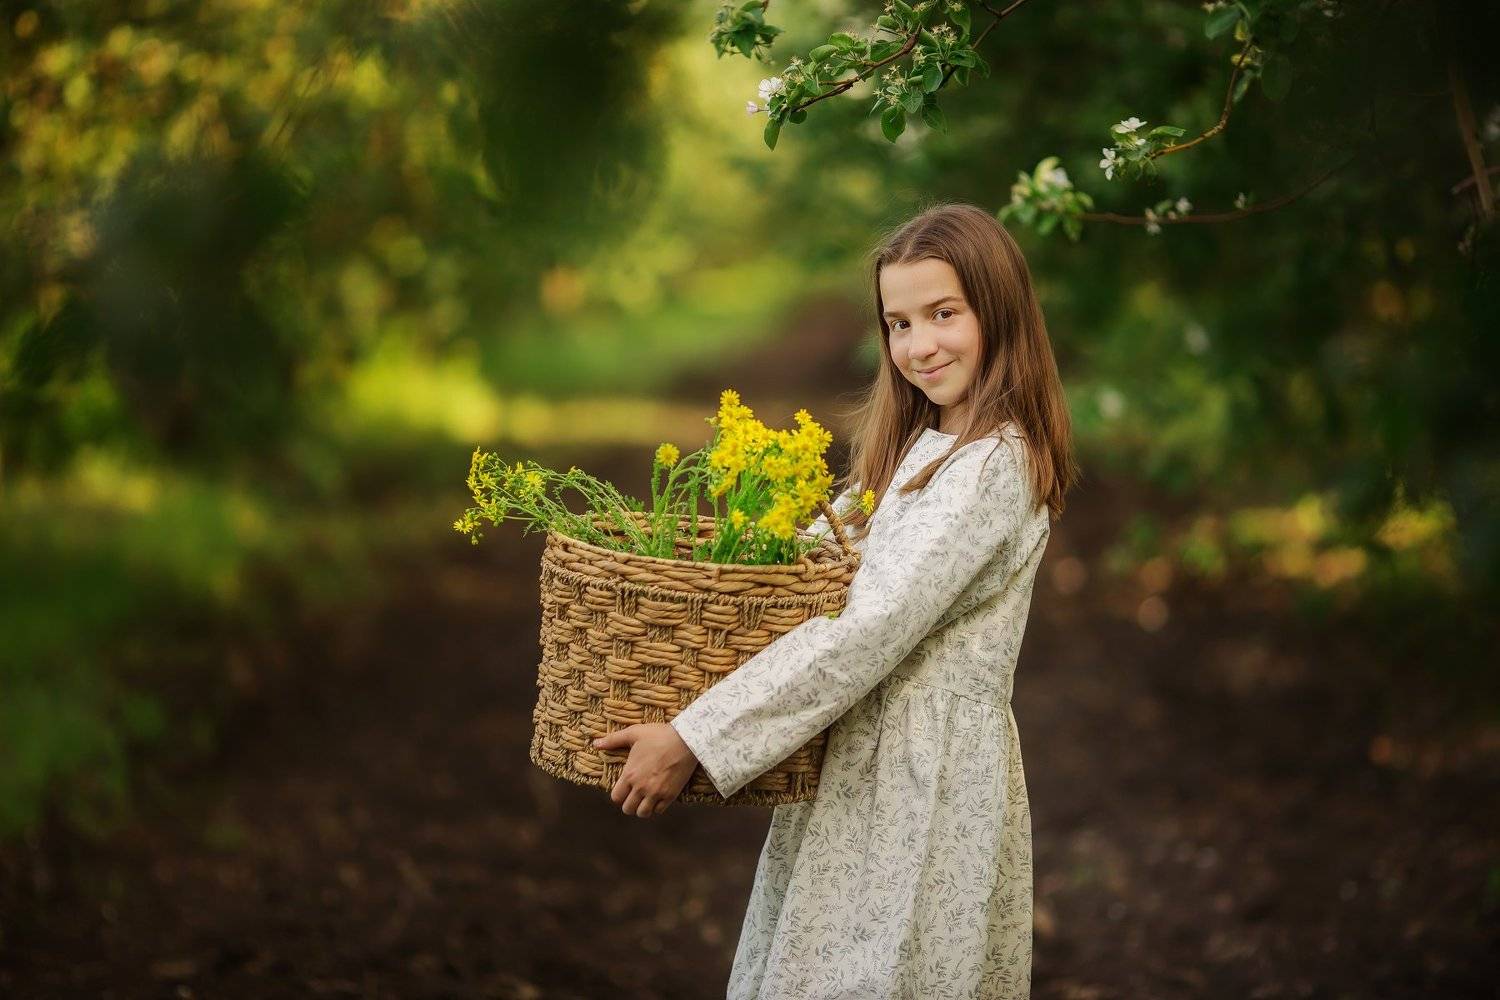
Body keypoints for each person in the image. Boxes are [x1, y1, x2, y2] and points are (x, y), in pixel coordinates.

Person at [592, 201, 1078, 999]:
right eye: (898, 323)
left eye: (943, 314)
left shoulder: (994, 466)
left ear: (1000, 310)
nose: (919, 346)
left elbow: (865, 629)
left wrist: (697, 735)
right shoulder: (924, 449)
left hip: (920, 784)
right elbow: (810, 570)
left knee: (873, 974)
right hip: (866, 765)